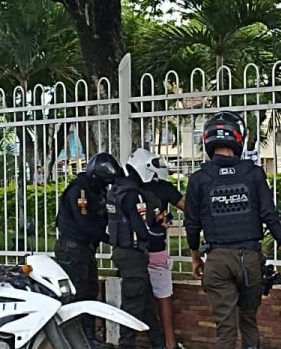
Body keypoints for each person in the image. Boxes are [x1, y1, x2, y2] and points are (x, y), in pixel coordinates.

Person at [184, 111, 281, 349]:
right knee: (248, 320)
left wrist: (196, 258)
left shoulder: (199, 179)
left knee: (225, 329)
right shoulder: (253, 173)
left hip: (216, 260)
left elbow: (192, 225)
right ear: (237, 137)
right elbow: (271, 216)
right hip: (249, 259)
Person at [56, 152, 120, 349]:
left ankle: (88, 339)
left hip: (86, 249)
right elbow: (85, 225)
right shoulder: (80, 191)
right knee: (77, 295)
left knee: (90, 291)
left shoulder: (97, 191)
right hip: (73, 250)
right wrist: (112, 239)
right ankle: (75, 340)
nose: (106, 186)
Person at [129, 148, 186, 349]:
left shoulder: (127, 189)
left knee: (137, 300)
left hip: (132, 252)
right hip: (155, 250)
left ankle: (155, 341)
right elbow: (188, 208)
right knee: (163, 297)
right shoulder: (163, 188)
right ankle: (169, 344)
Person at [108, 152, 164, 349]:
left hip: (124, 253)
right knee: (132, 305)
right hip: (132, 255)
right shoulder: (133, 193)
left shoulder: (117, 189)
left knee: (146, 302)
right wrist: (158, 231)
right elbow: (140, 227)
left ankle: (159, 343)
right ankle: (126, 345)